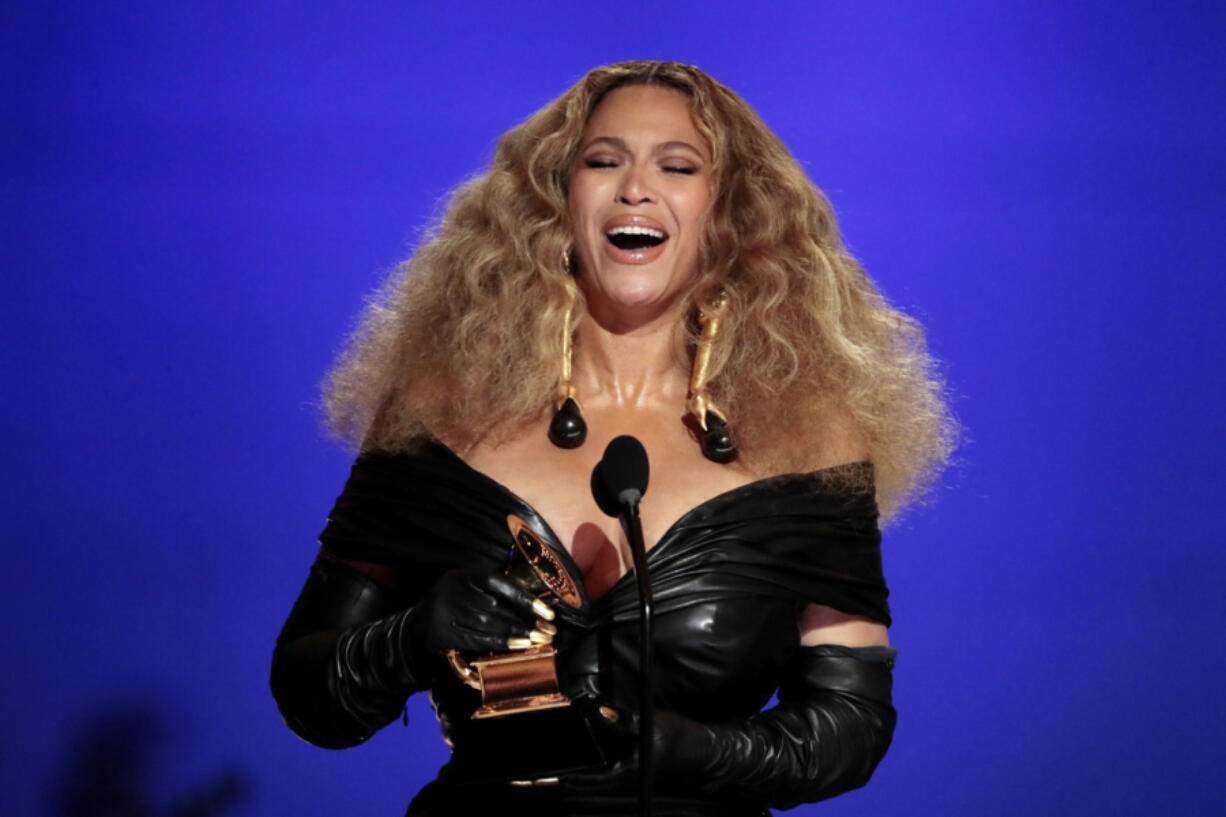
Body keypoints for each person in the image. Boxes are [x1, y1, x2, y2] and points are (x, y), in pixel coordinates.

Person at [271, 60, 954, 816]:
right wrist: (407, 641)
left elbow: (850, 724)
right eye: (604, 161)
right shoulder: (441, 408)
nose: (635, 187)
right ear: (557, 201)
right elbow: (308, 694)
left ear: (727, 212)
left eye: (677, 165)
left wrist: (690, 750)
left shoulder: (812, 439)